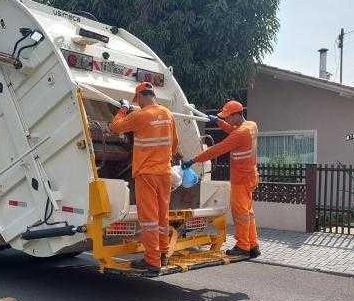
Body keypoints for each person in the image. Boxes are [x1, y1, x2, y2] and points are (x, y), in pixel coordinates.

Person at [109, 82, 180, 275]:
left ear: (140, 97)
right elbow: (175, 145)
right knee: (162, 217)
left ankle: (152, 261)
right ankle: (163, 253)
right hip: (164, 174)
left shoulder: (140, 115)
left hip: (146, 174)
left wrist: (123, 109)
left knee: (149, 219)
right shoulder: (168, 114)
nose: (137, 103)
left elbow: (115, 127)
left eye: (137, 100)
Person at [183, 100, 260, 259]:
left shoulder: (240, 134)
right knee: (248, 213)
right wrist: (218, 121)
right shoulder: (251, 126)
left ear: (237, 114)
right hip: (250, 176)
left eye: (228, 117)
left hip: (241, 179)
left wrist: (194, 160)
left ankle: (243, 246)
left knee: (240, 213)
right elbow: (233, 130)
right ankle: (253, 245)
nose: (227, 120)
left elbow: (217, 149)